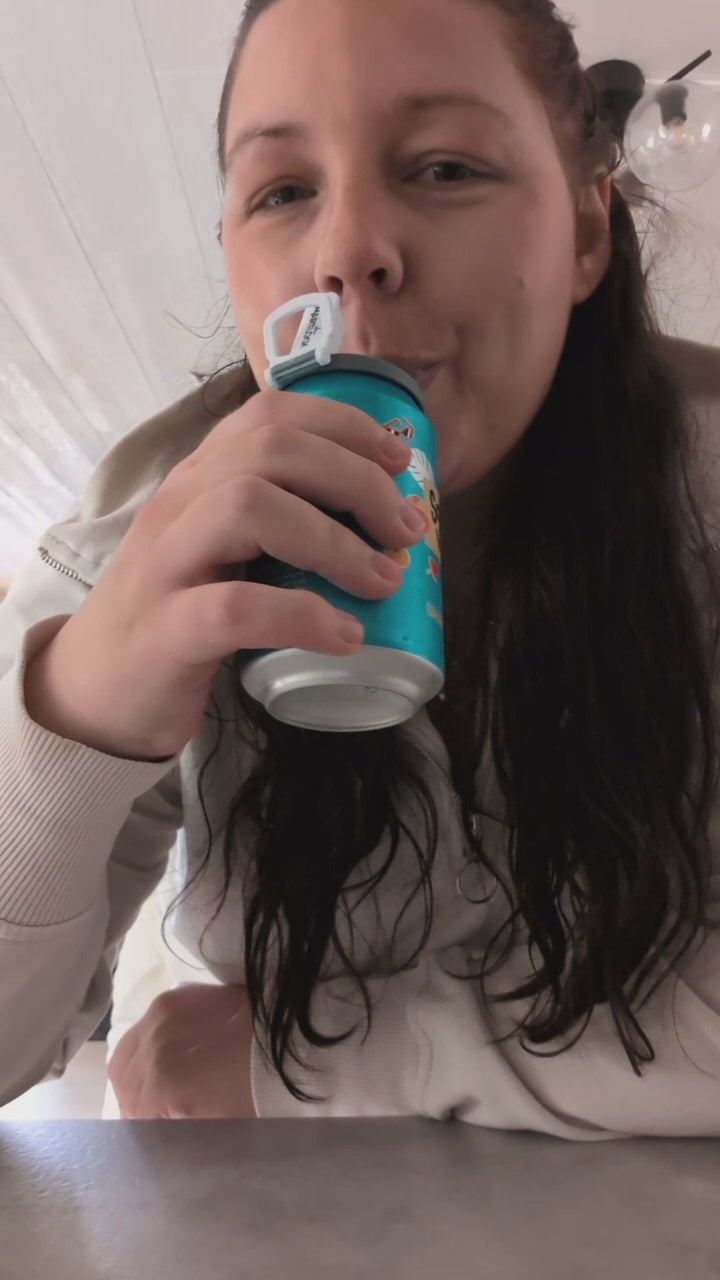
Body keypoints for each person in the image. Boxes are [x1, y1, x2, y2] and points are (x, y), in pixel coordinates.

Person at [1, 0, 720, 1136]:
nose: (347, 252)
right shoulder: (121, 551)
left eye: (445, 168)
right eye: (283, 190)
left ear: (588, 232)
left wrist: (315, 1061)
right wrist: (72, 725)